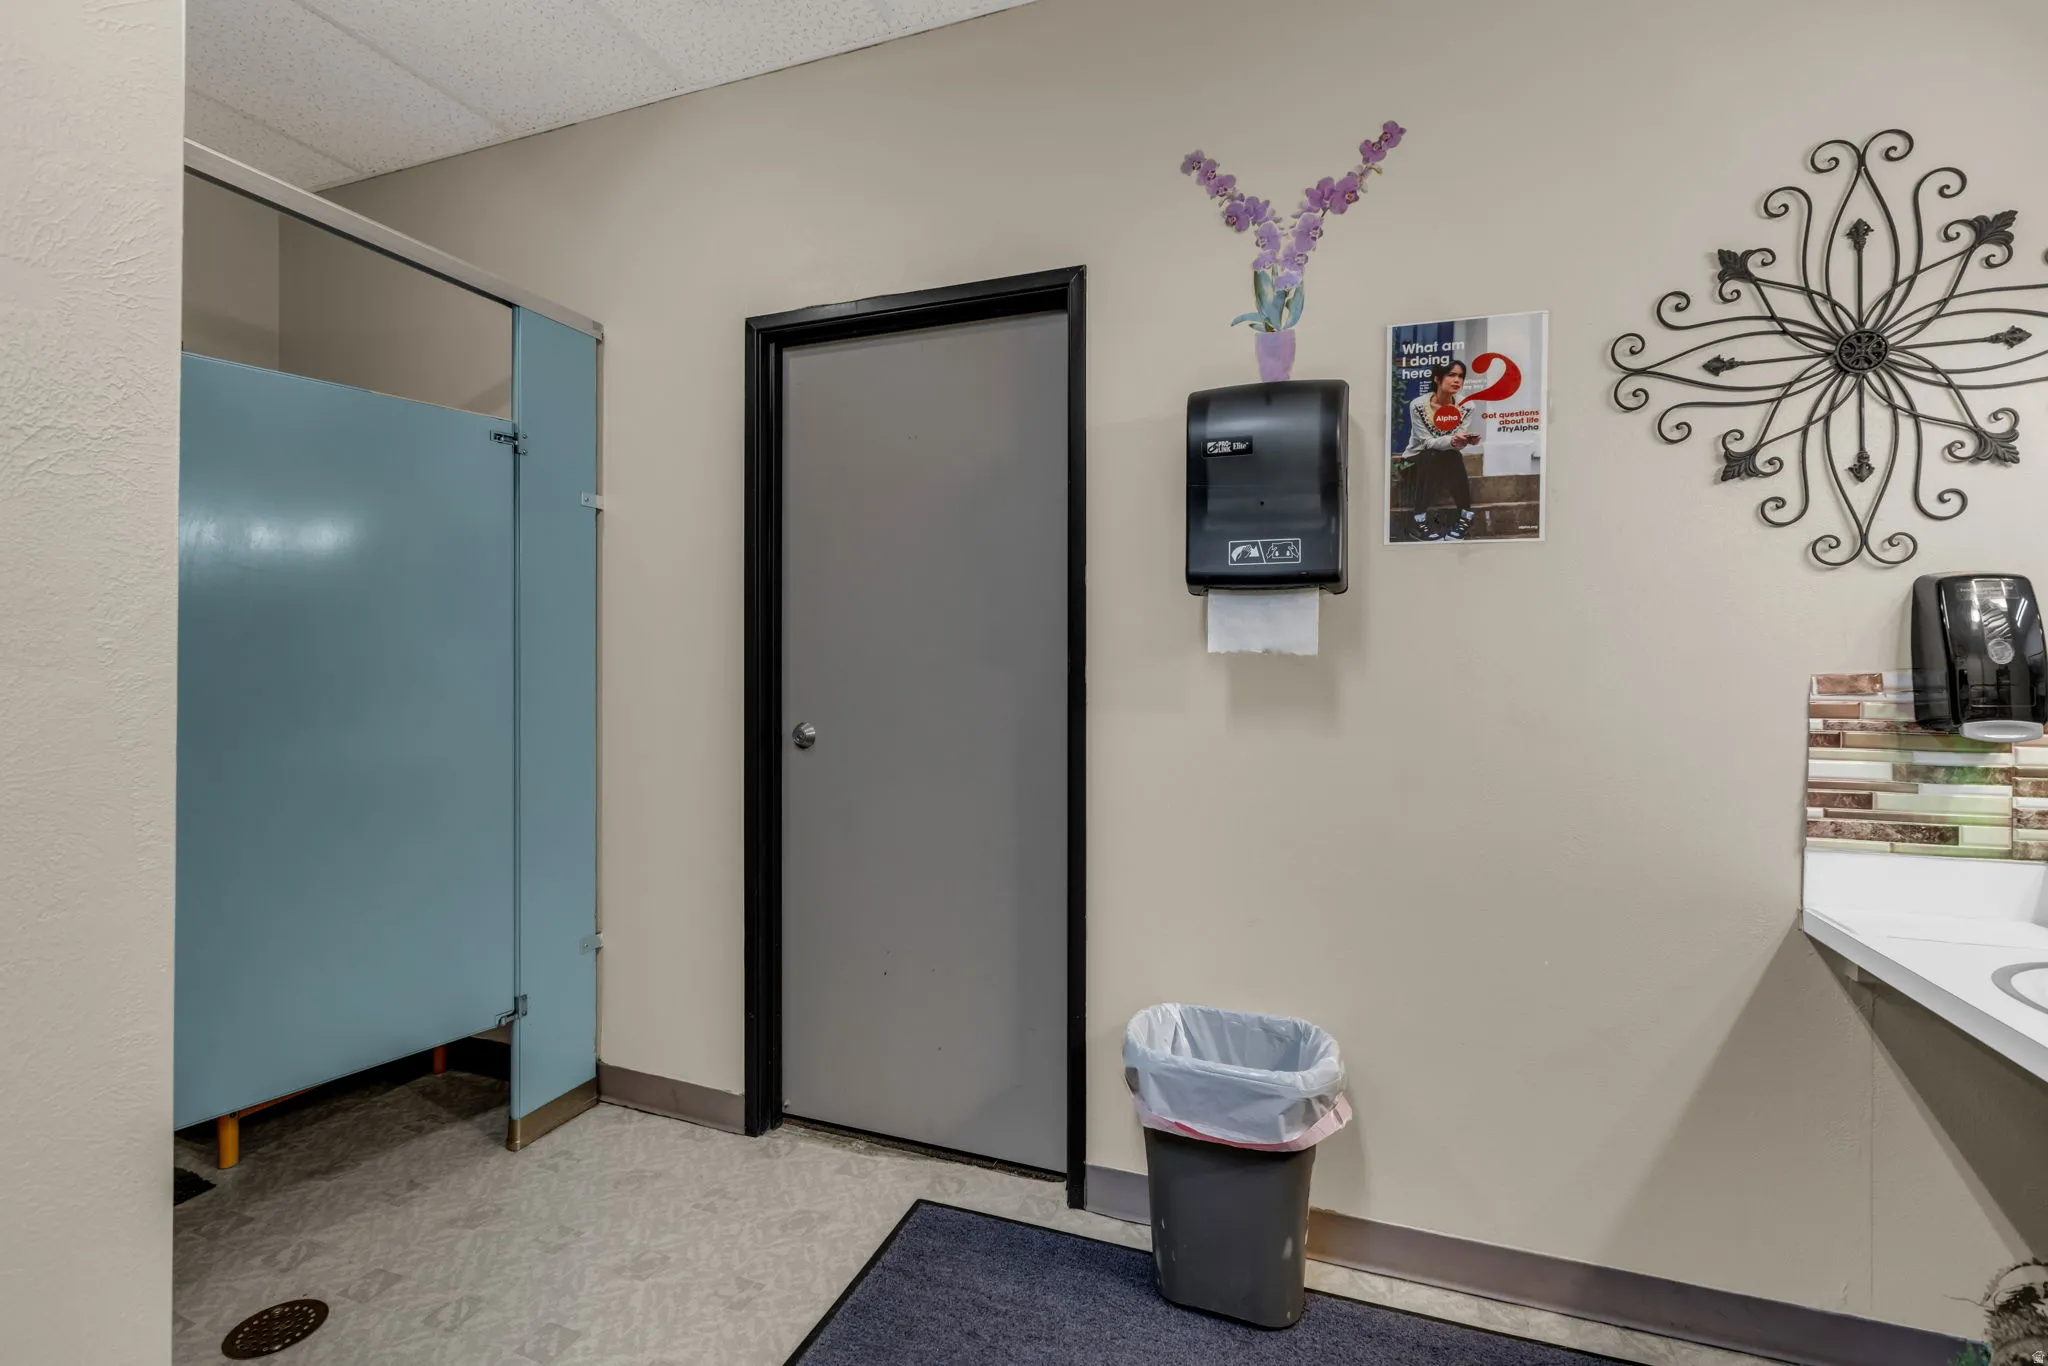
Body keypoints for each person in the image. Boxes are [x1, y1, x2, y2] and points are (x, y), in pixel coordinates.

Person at [1399, 360, 1481, 541]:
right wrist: (1452, 440)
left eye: (1460, 376)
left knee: (1451, 454)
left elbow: (1456, 441)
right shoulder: (1418, 406)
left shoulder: (1467, 406)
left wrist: (1466, 440)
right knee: (1434, 453)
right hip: (1411, 463)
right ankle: (1419, 520)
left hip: (1445, 461)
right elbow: (1427, 442)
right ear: (1437, 378)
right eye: (1451, 375)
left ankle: (1465, 516)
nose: (1457, 380)